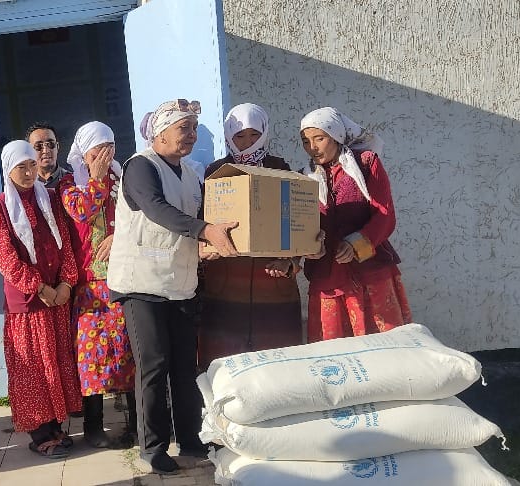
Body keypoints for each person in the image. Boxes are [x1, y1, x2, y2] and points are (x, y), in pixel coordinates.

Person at [106, 99, 241, 475]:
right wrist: (204, 230)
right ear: (160, 132)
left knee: (184, 366)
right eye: (184, 128)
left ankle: (191, 439)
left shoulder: (190, 174)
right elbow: (155, 208)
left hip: (180, 282)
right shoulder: (140, 166)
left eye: (195, 128)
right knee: (154, 365)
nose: (192, 135)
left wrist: (207, 244)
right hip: (142, 284)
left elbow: (194, 220)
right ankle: (152, 447)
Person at [0, 140, 82, 459]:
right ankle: (40, 434)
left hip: (57, 299)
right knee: (33, 370)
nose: (29, 173)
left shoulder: (50, 199)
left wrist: (66, 283)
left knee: (56, 363)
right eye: (21, 167)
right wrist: (41, 288)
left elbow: (66, 243)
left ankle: (55, 427)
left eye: (31, 165)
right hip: (28, 305)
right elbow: (5, 258)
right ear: (8, 170)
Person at [198, 104, 304, 368]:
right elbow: (202, 221)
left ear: (265, 133)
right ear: (229, 137)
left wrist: (290, 261)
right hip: (225, 283)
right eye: (240, 136)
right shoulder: (216, 172)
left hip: (272, 281)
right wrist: (204, 247)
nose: (247, 143)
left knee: (278, 364)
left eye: (254, 135)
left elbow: (297, 221)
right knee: (225, 365)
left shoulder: (280, 169)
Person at [299, 107, 412, 342]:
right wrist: (308, 246)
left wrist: (355, 244)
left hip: (370, 272)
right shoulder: (304, 178)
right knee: (333, 351)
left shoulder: (366, 163)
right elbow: (300, 224)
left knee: (381, 345)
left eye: (319, 138)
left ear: (336, 136)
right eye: (306, 141)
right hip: (328, 277)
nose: (312, 147)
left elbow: (384, 215)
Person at [57, 121, 137, 448]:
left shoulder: (124, 178)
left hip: (125, 277)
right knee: (91, 357)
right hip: (89, 286)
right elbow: (82, 211)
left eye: (110, 147)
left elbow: (139, 216)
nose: (105, 155)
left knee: (130, 351)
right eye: (97, 149)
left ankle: (138, 425)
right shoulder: (69, 183)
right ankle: (93, 427)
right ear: (83, 152)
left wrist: (120, 236)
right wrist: (97, 178)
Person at [26, 122, 71, 188]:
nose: (46, 151)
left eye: (50, 144)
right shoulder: (23, 185)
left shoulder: (74, 181)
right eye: (38, 146)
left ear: (57, 147)